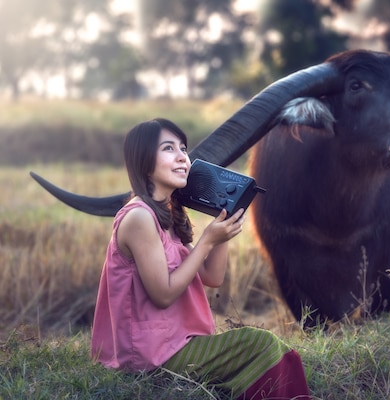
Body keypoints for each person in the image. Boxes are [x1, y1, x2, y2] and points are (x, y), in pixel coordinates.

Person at [90, 118, 311, 399]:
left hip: (176, 342)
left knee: (273, 349)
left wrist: (222, 227)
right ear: (144, 161)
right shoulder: (139, 217)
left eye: (183, 148)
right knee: (261, 343)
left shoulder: (168, 214)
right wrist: (207, 239)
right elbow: (163, 294)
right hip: (150, 355)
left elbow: (212, 277)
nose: (182, 157)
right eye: (168, 149)